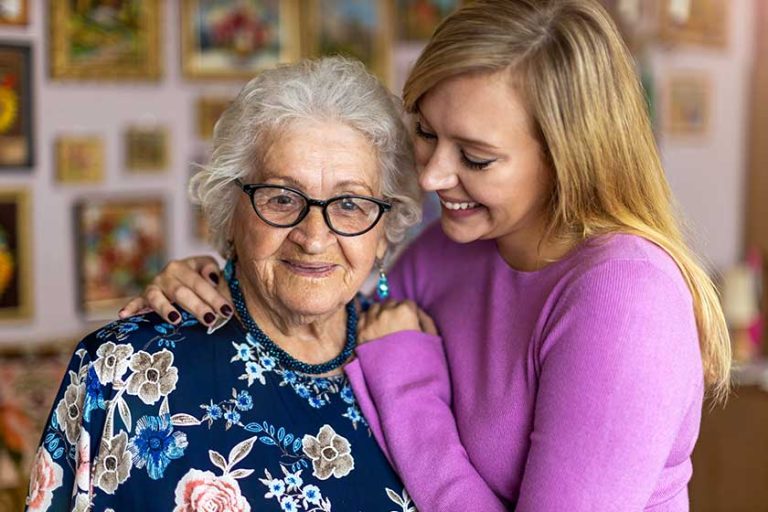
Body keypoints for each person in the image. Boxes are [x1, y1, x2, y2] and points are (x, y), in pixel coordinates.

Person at [119, 0, 732, 510]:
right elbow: (336, 316)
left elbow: (388, 357)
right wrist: (216, 283)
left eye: (476, 157)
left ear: (567, 158)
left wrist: (408, 383)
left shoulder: (627, 299)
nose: (434, 177)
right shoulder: (451, 249)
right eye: (427, 132)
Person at [25, 57, 424, 512]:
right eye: (281, 198)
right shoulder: (122, 370)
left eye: (350, 204)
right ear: (230, 212)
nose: (314, 238)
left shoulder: (417, 357)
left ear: (384, 231)